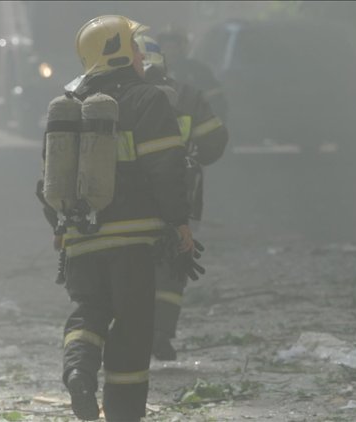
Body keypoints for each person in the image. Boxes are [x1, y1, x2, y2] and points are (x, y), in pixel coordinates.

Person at [36, 15, 201, 422]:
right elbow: (166, 167)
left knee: (88, 311)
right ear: (117, 52)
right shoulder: (148, 99)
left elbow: (47, 180)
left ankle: (78, 370)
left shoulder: (69, 105)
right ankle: (124, 414)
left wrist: (61, 229)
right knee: (131, 326)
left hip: (79, 237)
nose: (142, 56)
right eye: (134, 46)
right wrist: (180, 222)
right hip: (132, 242)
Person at [136, 34, 228, 361]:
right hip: (176, 197)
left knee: (126, 264)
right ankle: (160, 334)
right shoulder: (187, 95)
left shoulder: (109, 96)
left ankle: (126, 334)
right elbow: (215, 141)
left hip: (124, 202)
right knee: (172, 264)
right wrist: (192, 156)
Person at [156, 26, 228, 123]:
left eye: (175, 47)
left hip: (196, 125)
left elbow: (216, 96)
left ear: (182, 48)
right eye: (167, 47)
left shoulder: (198, 70)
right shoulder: (152, 72)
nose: (171, 52)